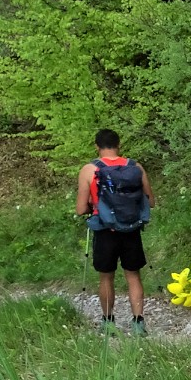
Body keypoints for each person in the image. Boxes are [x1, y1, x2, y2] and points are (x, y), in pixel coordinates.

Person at [76, 129, 156, 336]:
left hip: (105, 230)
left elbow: (80, 209)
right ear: (118, 144)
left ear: (97, 146)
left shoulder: (89, 170)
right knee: (133, 275)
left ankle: (108, 321)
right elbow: (151, 201)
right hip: (131, 229)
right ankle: (138, 323)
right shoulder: (135, 167)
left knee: (106, 277)